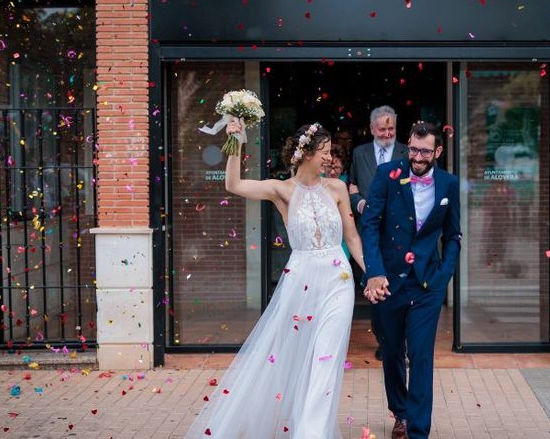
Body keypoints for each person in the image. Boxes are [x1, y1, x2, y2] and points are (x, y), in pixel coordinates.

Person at [186, 122, 367, 438]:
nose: (329, 158)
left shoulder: (337, 188)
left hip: (338, 278)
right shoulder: (281, 190)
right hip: (300, 279)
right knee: (294, 361)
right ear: (306, 154)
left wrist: (373, 272)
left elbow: (351, 237)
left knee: (326, 359)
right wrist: (235, 140)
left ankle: (310, 434)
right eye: (324, 152)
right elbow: (233, 184)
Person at [361, 122, 462, 439]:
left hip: (427, 284)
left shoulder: (449, 184)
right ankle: (400, 412)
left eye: (425, 151)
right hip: (388, 281)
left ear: (438, 151)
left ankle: (418, 430)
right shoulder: (387, 174)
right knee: (391, 352)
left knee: (420, 354)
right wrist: (375, 272)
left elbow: (453, 234)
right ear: (408, 146)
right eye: (414, 150)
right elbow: (370, 223)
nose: (418, 157)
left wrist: (444, 273)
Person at [348, 105, 407, 360]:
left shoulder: (408, 152)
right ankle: (384, 341)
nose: (387, 133)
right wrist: (360, 203)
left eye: (391, 128)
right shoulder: (359, 153)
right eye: (382, 129)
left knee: (401, 288)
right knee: (375, 287)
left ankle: (400, 344)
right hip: (369, 232)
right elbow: (350, 186)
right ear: (372, 129)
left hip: (400, 233)